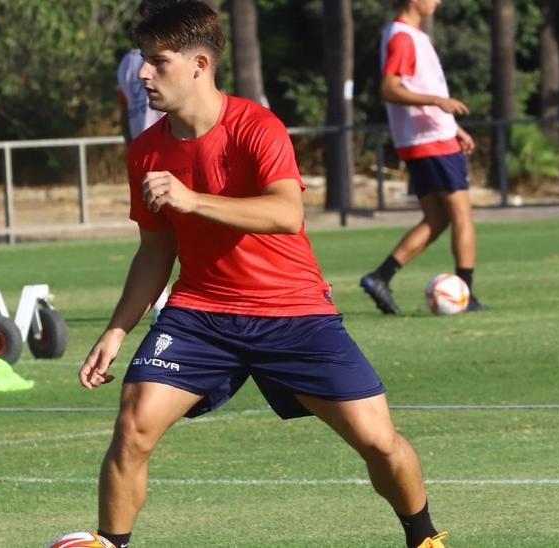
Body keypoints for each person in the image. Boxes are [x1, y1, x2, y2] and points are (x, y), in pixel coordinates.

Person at [77, 3, 449, 547]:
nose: (142, 75)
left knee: (379, 441)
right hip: (200, 313)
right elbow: (156, 249)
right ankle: (111, 543)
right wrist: (116, 330)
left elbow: (285, 214)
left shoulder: (256, 127)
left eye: (157, 62)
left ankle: (424, 537)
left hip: (293, 311)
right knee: (133, 427)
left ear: (200, 64)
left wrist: (193, 200)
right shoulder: (146, 152)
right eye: (142, 60)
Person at [360, 0, 485, 315]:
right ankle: (466, 295)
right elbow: (390, 88)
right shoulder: (403, 36)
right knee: (462, 216)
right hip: (431, 141)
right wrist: (438, 102)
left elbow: (420, 85)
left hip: (425, 138)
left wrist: (452, 125)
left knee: (437, 218)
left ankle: (380, 277)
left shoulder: (407, 33)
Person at [116, 0, 171, 144]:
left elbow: (125, 110)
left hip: (142, 142)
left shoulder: (125, 64)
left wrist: (130, 144)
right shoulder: (166, 57)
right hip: (163, 143)